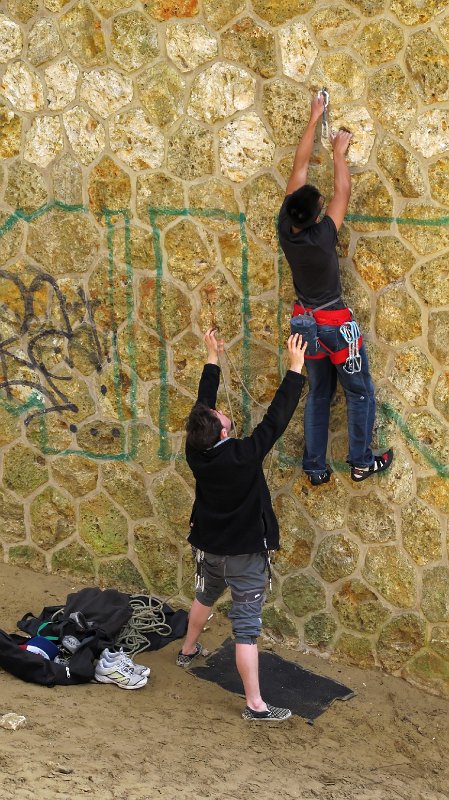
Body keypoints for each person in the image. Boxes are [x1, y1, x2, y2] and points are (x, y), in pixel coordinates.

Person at [177, 328, 307, 722]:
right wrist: (295, 368)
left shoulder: (196, 451)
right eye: (218, 416)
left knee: (205, 596)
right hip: (245, 558)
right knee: (246, 631)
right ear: (221, 431)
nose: (217, 411)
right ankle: (255, 705)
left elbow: (202, 404)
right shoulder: (245, 454)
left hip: (210, 550)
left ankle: (186, 651)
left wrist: (212, 357)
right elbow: (276, 420)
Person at [277, 93, 393, 486]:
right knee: (359, 393)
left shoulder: (286, 226)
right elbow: (342, 193)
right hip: (333, 323)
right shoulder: (323, 238)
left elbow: (299, 167)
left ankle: (315, 467)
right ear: (315, 217)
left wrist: (313, 119)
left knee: (319, 394)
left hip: (303, 325)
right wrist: (339, 153)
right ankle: (360, 461)